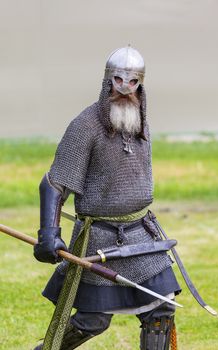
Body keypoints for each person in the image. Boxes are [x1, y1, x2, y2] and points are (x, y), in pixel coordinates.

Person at [33, 46, 181, 350]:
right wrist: (48, 234)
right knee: (93, 320)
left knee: (160, 310)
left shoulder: (141, 123)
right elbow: (54, 183)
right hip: (99, 237)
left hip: (141, 233)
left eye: (133, 82)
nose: (125, 88)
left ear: (141, 84)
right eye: (118, 80)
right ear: (107, 80)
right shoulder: (85, 126)